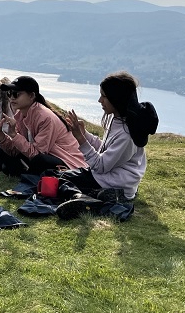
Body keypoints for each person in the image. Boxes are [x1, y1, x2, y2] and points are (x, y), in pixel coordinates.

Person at [55, 71, 159, 219]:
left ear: (116, 98)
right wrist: (85, 134)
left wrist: (81, 139)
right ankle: (97, 196)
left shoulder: (126, 133)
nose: (100, 100)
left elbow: (101, 165)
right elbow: (105, 150)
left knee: (59, 180)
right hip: (113, 179)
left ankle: (89, 200)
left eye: (104, 96)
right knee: (57, 177)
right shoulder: (118, 119)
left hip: (113, 180)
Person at [0, 75, 87, 175]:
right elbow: (14, 150)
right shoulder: (20, 115)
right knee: (1, 151)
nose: (11, 98)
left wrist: (14, 135)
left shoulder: (45, 117)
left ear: (32, 96)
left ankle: (25, 171)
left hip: (66, 161)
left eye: (16, 94)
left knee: (40, 160)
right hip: (40, 156)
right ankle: (26, 171)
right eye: (9, 93)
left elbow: (37, 154)